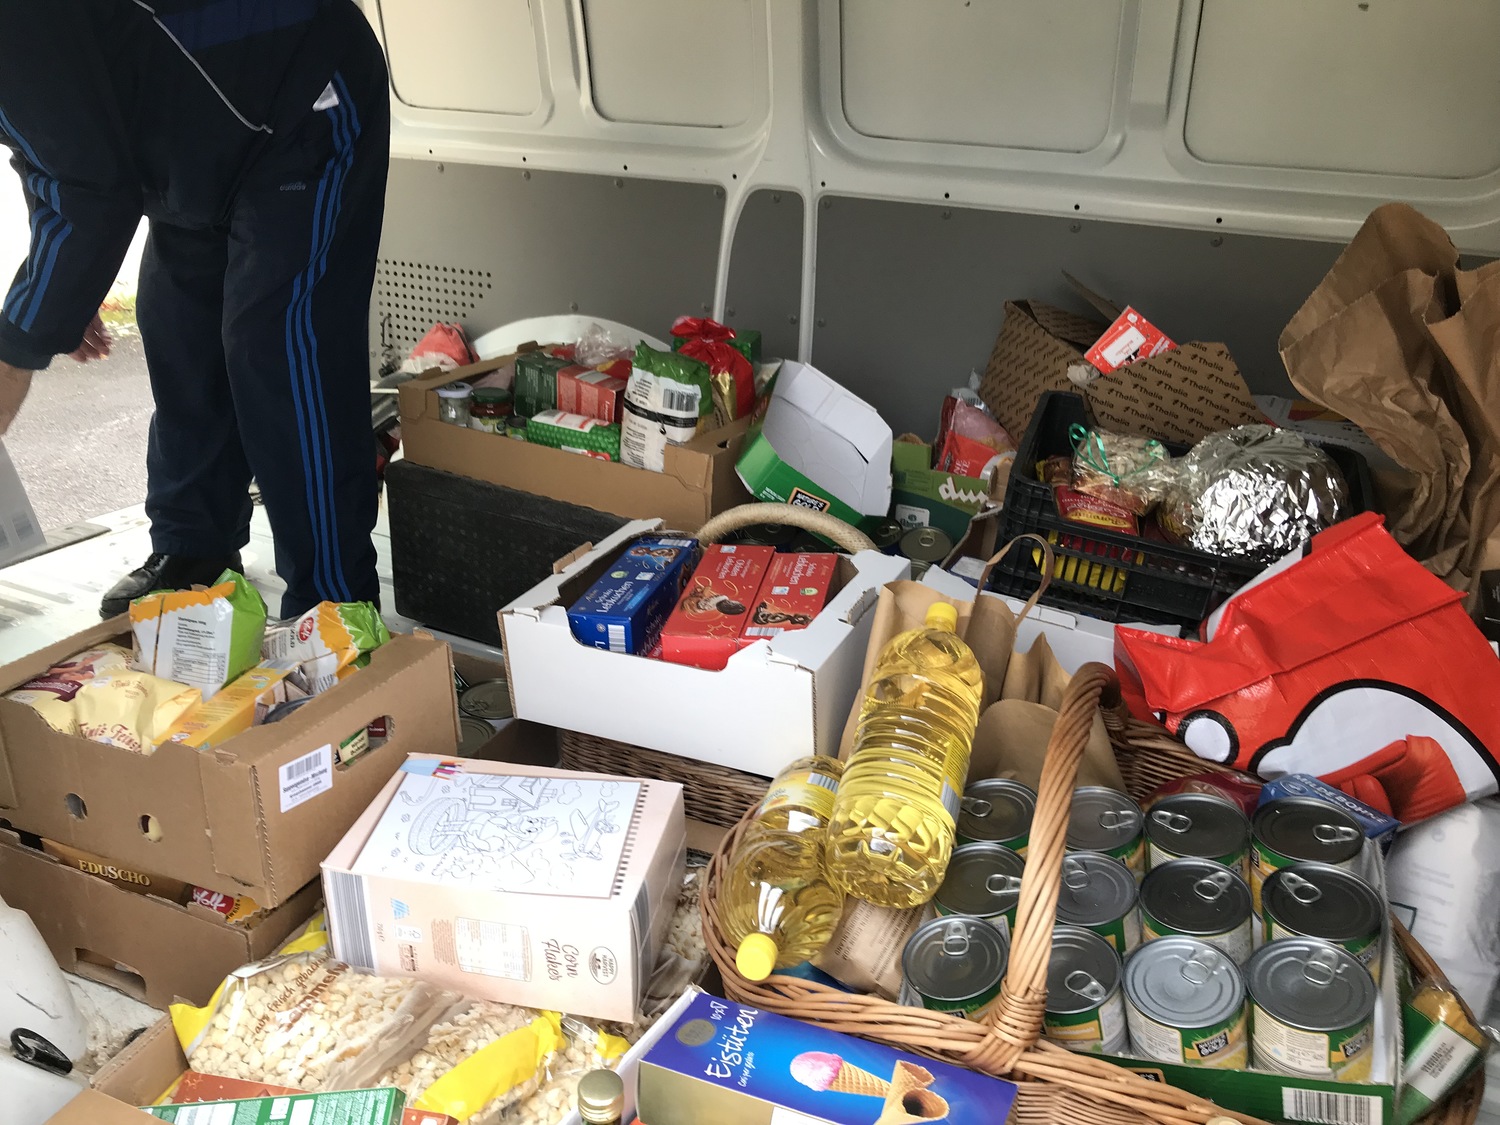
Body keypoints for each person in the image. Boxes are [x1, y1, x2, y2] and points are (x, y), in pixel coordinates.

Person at [0, 0, 388, 619]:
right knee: (177, 327)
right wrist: (65, 286)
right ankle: (195, 549)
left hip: (301, 85)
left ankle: (335, 602)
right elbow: (47, 137)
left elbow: (85, 186)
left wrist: (22, 340)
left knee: (279, 347)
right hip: (192, 119)